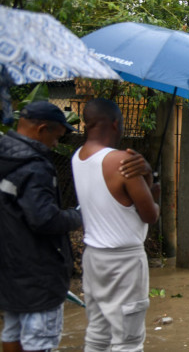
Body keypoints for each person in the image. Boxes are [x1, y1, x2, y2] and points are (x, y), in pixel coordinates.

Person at [71, 98, 160, 352]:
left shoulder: (78, 157)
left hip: (94, 258)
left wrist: (146, 171)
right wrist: (155, 188)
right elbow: (150, 215)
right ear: (115, 123)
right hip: (124, 262)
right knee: (128, 341)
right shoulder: (121, 162)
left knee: (97, 334)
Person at [0, 101, 82, 352]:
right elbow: (44, 219)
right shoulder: (35, 166)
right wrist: (78, 217)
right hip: (38, 272)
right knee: (40, 341)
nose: (56, 144)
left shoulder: (5, 154)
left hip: (9, 267)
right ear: (42, 129)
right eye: (56, 137)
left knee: (12, 331)